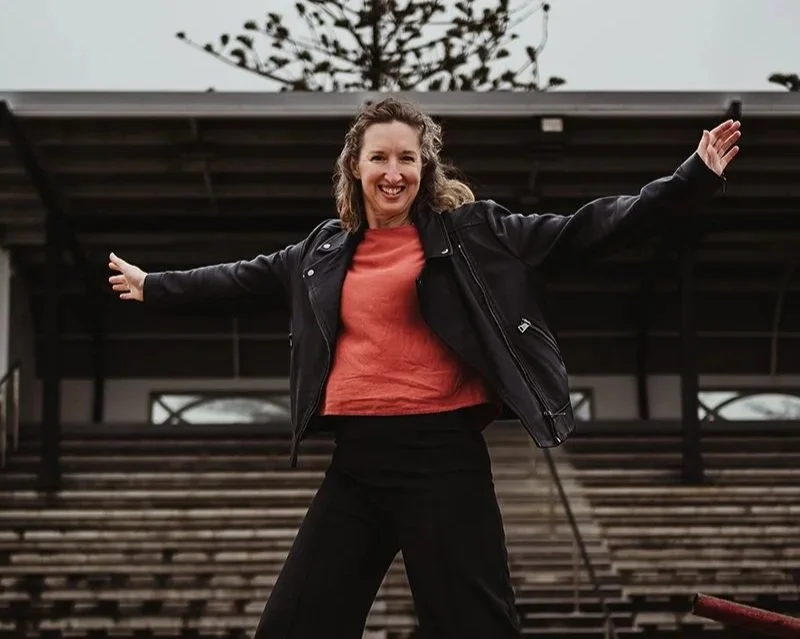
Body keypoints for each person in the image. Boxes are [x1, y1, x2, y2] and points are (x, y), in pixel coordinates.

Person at [108, 97, 740, 638]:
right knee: (293, 625)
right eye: (379, 157)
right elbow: (238, 280)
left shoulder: (475, 234)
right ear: (355, 167)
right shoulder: (321, 252)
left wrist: (689, 180)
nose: (392, 172)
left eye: (406, 158)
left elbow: (585, 230)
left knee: (475, 629)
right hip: (356, 467)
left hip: (445, 461)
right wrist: (156, 286)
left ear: (424, 167)